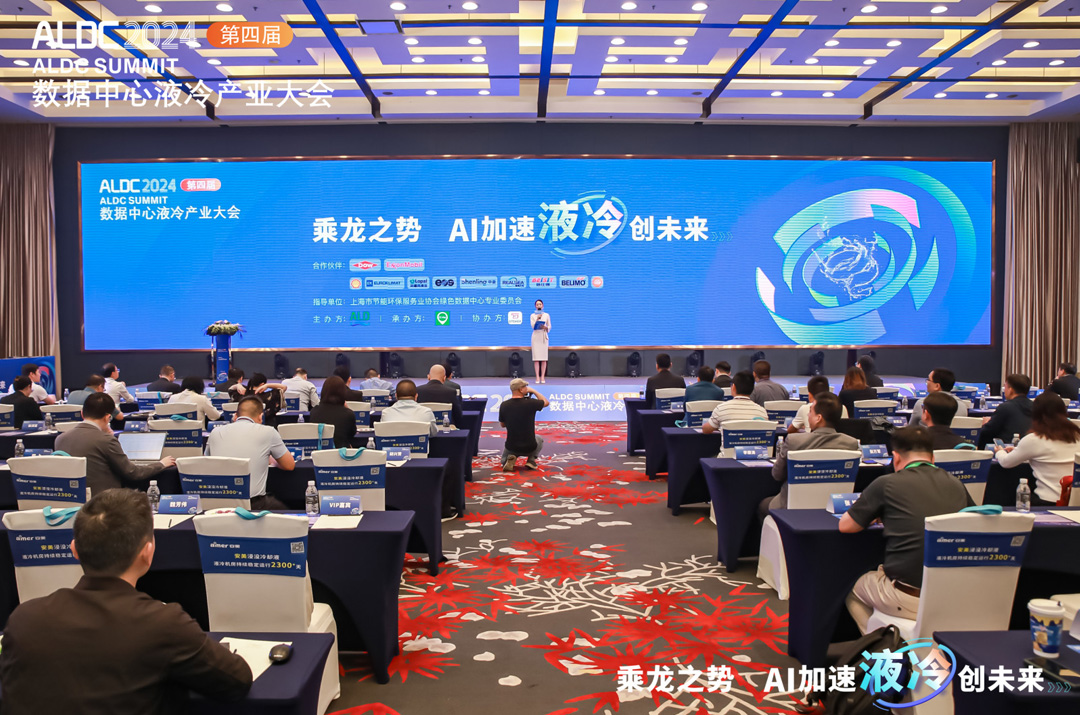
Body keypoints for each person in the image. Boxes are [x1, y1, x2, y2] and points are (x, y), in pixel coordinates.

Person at [0, 489, 252, 713]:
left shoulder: (23, 619)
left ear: (74, 549)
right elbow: (237, 681)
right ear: (148, 553)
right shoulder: (163, 624)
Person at [839, 427, 973, 632]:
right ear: (933, 458)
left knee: (851, 588)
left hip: (906, 596)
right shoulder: (956, 484)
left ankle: (877, 642)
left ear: (896, 458)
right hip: (951, 594)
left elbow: (846, 525)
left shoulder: (886, 484)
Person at [761, 393, 859, 518]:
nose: (808, 415)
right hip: (834, 507)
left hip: (791, 506)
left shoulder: (794, 441)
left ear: (818, 418)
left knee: (763, 506)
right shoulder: (851, 443)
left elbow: (777, 475)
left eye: (810, 411)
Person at [55, 393, 174, 494]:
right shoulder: (105, 440)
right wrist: (161, 464)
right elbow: (133, 473)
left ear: (82, 414)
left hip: (74, 500)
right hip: (106, 502)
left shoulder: (60, 439)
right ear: (108, 418)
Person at [204, 395, 295, 511]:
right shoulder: (268, 432)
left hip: (218, 504)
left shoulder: (215, 432)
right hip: (254, 505)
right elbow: (289, 465)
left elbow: (206, 463)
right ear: (261, 416)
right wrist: (272, 461)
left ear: (235, 416)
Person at [994, 391, 1080, 506]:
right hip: (1074, 500)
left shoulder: (1034, 439)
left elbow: (1006, 462)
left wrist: (999, 452)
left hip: (1046, 501)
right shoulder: (1076, 436)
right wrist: (1019, 451)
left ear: (1036, 415)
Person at [499, 378, 548, 472]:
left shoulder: (504, 405)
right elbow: (546, 402)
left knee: (504, 460)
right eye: (526, 387)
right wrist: (534, 391)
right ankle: (531, 460)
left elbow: (502, 424)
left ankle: (509, 459)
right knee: (539, 438)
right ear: (521, 389)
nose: (527, 388)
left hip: (511, 446)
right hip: (529, 445)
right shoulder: (531, 403)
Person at [977, 373, 1033, 448]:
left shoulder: (1005, 407)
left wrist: (985, 424)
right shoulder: (1036, 407)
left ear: (1010, 390)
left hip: (1007, 450)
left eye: (1005, 386)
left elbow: (987, 432)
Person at [702, 371, 768, 433]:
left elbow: (705, 430)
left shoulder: (721, 409)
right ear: (753, 389)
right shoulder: (762, 412)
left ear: (733, 387)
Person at [309, 376, 357, 448]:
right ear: (343, 392)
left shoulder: (314, 412)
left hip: (321, 453)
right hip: (342, 453)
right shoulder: (348, 414)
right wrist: (347, 409)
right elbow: (352, 435)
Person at [530, 299, 551, 384]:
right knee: (536, 359)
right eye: (537, 304)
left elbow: (549, 326)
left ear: (542, 306)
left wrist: (546, 327)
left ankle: (542, 377)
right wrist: (537, 319)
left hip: (543, 337)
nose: (539, 306)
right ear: (535, 306)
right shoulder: (532, 315)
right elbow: (533, 326)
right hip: (536, 337)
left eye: (540, 304)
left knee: (544, 359)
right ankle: (537, 377)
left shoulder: (546, 315)